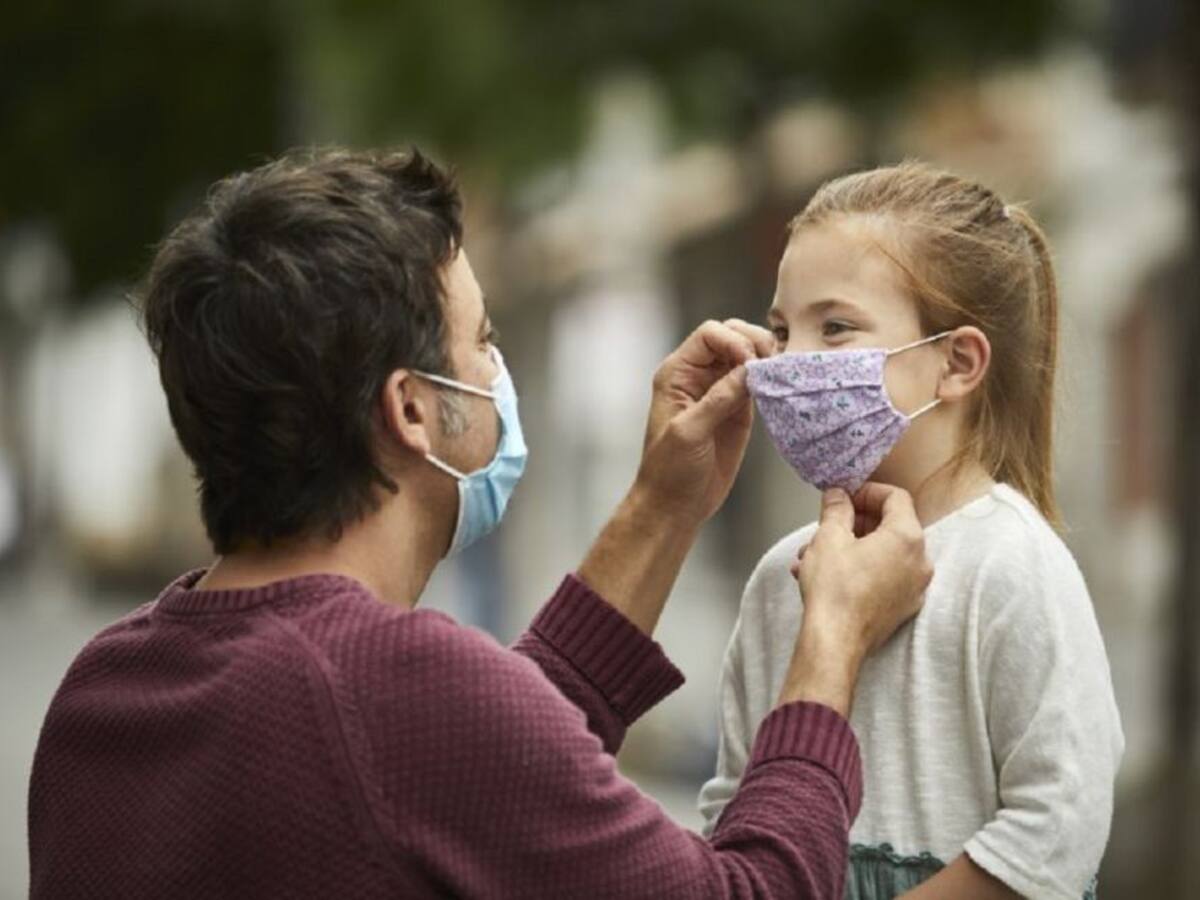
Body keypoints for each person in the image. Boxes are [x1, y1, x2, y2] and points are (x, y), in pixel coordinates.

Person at [27, 149, 933, 899]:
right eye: (484, 341)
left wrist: (662, 505)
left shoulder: (106, 689)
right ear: (413, 410)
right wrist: (832, 645)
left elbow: (475, 774)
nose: (499, 370)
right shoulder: (390, 692)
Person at [698, 162, 1125, 900]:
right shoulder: (781, 577)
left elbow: (1057, 825)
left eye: (834, 328)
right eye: (780, 330)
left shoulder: (1013, 565)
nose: (791, 361)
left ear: (956, 363)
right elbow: (733, 808)